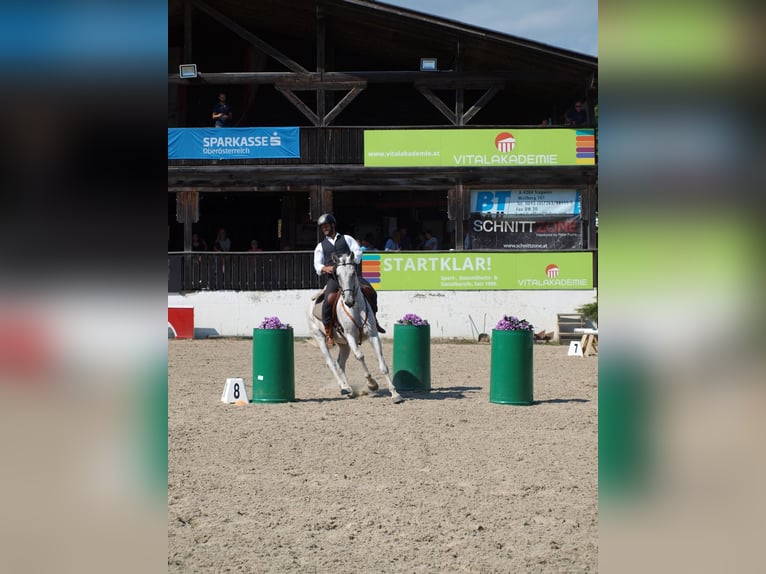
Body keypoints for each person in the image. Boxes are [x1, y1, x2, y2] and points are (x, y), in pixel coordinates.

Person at [313, 214, 385, 346]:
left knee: (371, 292)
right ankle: (329, 332)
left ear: (333, 225)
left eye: (326, 226)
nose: (325, 229)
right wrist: (325, 268)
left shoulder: (347, 238)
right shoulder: (320, 246)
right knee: (328, 302)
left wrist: (354, 260)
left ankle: (375, 321)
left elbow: (357, 252)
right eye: (323, 228)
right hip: (334, 279)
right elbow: (317, 265)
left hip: (352, 276)